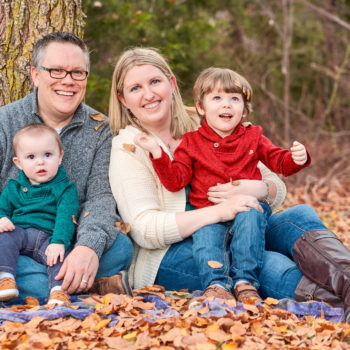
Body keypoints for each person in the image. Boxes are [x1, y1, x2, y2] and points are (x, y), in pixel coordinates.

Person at [108, 47, 350, 316]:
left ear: (171, 83)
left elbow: (274, 183)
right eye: (135, 88)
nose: (149, 94)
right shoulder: (128, 147)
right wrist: (221, 211)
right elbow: (145, 229)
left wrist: (254, 188)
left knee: (300, 216)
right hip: (172, 253)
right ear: (123, 99)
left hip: (241, 225)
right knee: (268, 263)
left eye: (155, 82)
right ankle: (333, 304)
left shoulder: (207, 119)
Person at [134, 67, 311, 303]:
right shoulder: (191, 142)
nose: (226, 105)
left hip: (248, 209)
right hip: (209, 214)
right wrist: (158, 154)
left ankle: (245, 283)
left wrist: (297, 158)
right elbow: (176, 180)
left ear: (244, 111)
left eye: (234, 99)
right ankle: (216, 285)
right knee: (206, 241)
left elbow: (280, 163)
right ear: (201, 107)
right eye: (217, 98)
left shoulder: (254, 137)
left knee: (251, 218)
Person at [0, 32, 133, 300]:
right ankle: (78, 287)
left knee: (120, 246)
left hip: (67, 240)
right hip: (16, 240)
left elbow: (100, 196)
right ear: (36, 75)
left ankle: (56, 285)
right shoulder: (5, 121)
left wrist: (88, 248)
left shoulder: (100, 129)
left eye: (77, 73)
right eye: (57, 71)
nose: (68, 81)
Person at [0, 124, 78, 305]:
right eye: (31, 157)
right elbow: (2, 208)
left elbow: (66, 217)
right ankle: (5, 277)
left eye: (47, 155)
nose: (40, 162)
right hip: (18, 232)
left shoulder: (65, 188)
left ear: (60, 157)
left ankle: (59, 291)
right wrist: (2, 218)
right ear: (18, 163)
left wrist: (59, 241)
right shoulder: (14, 187)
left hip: (48, 237)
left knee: (61, 256)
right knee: (3, 238)